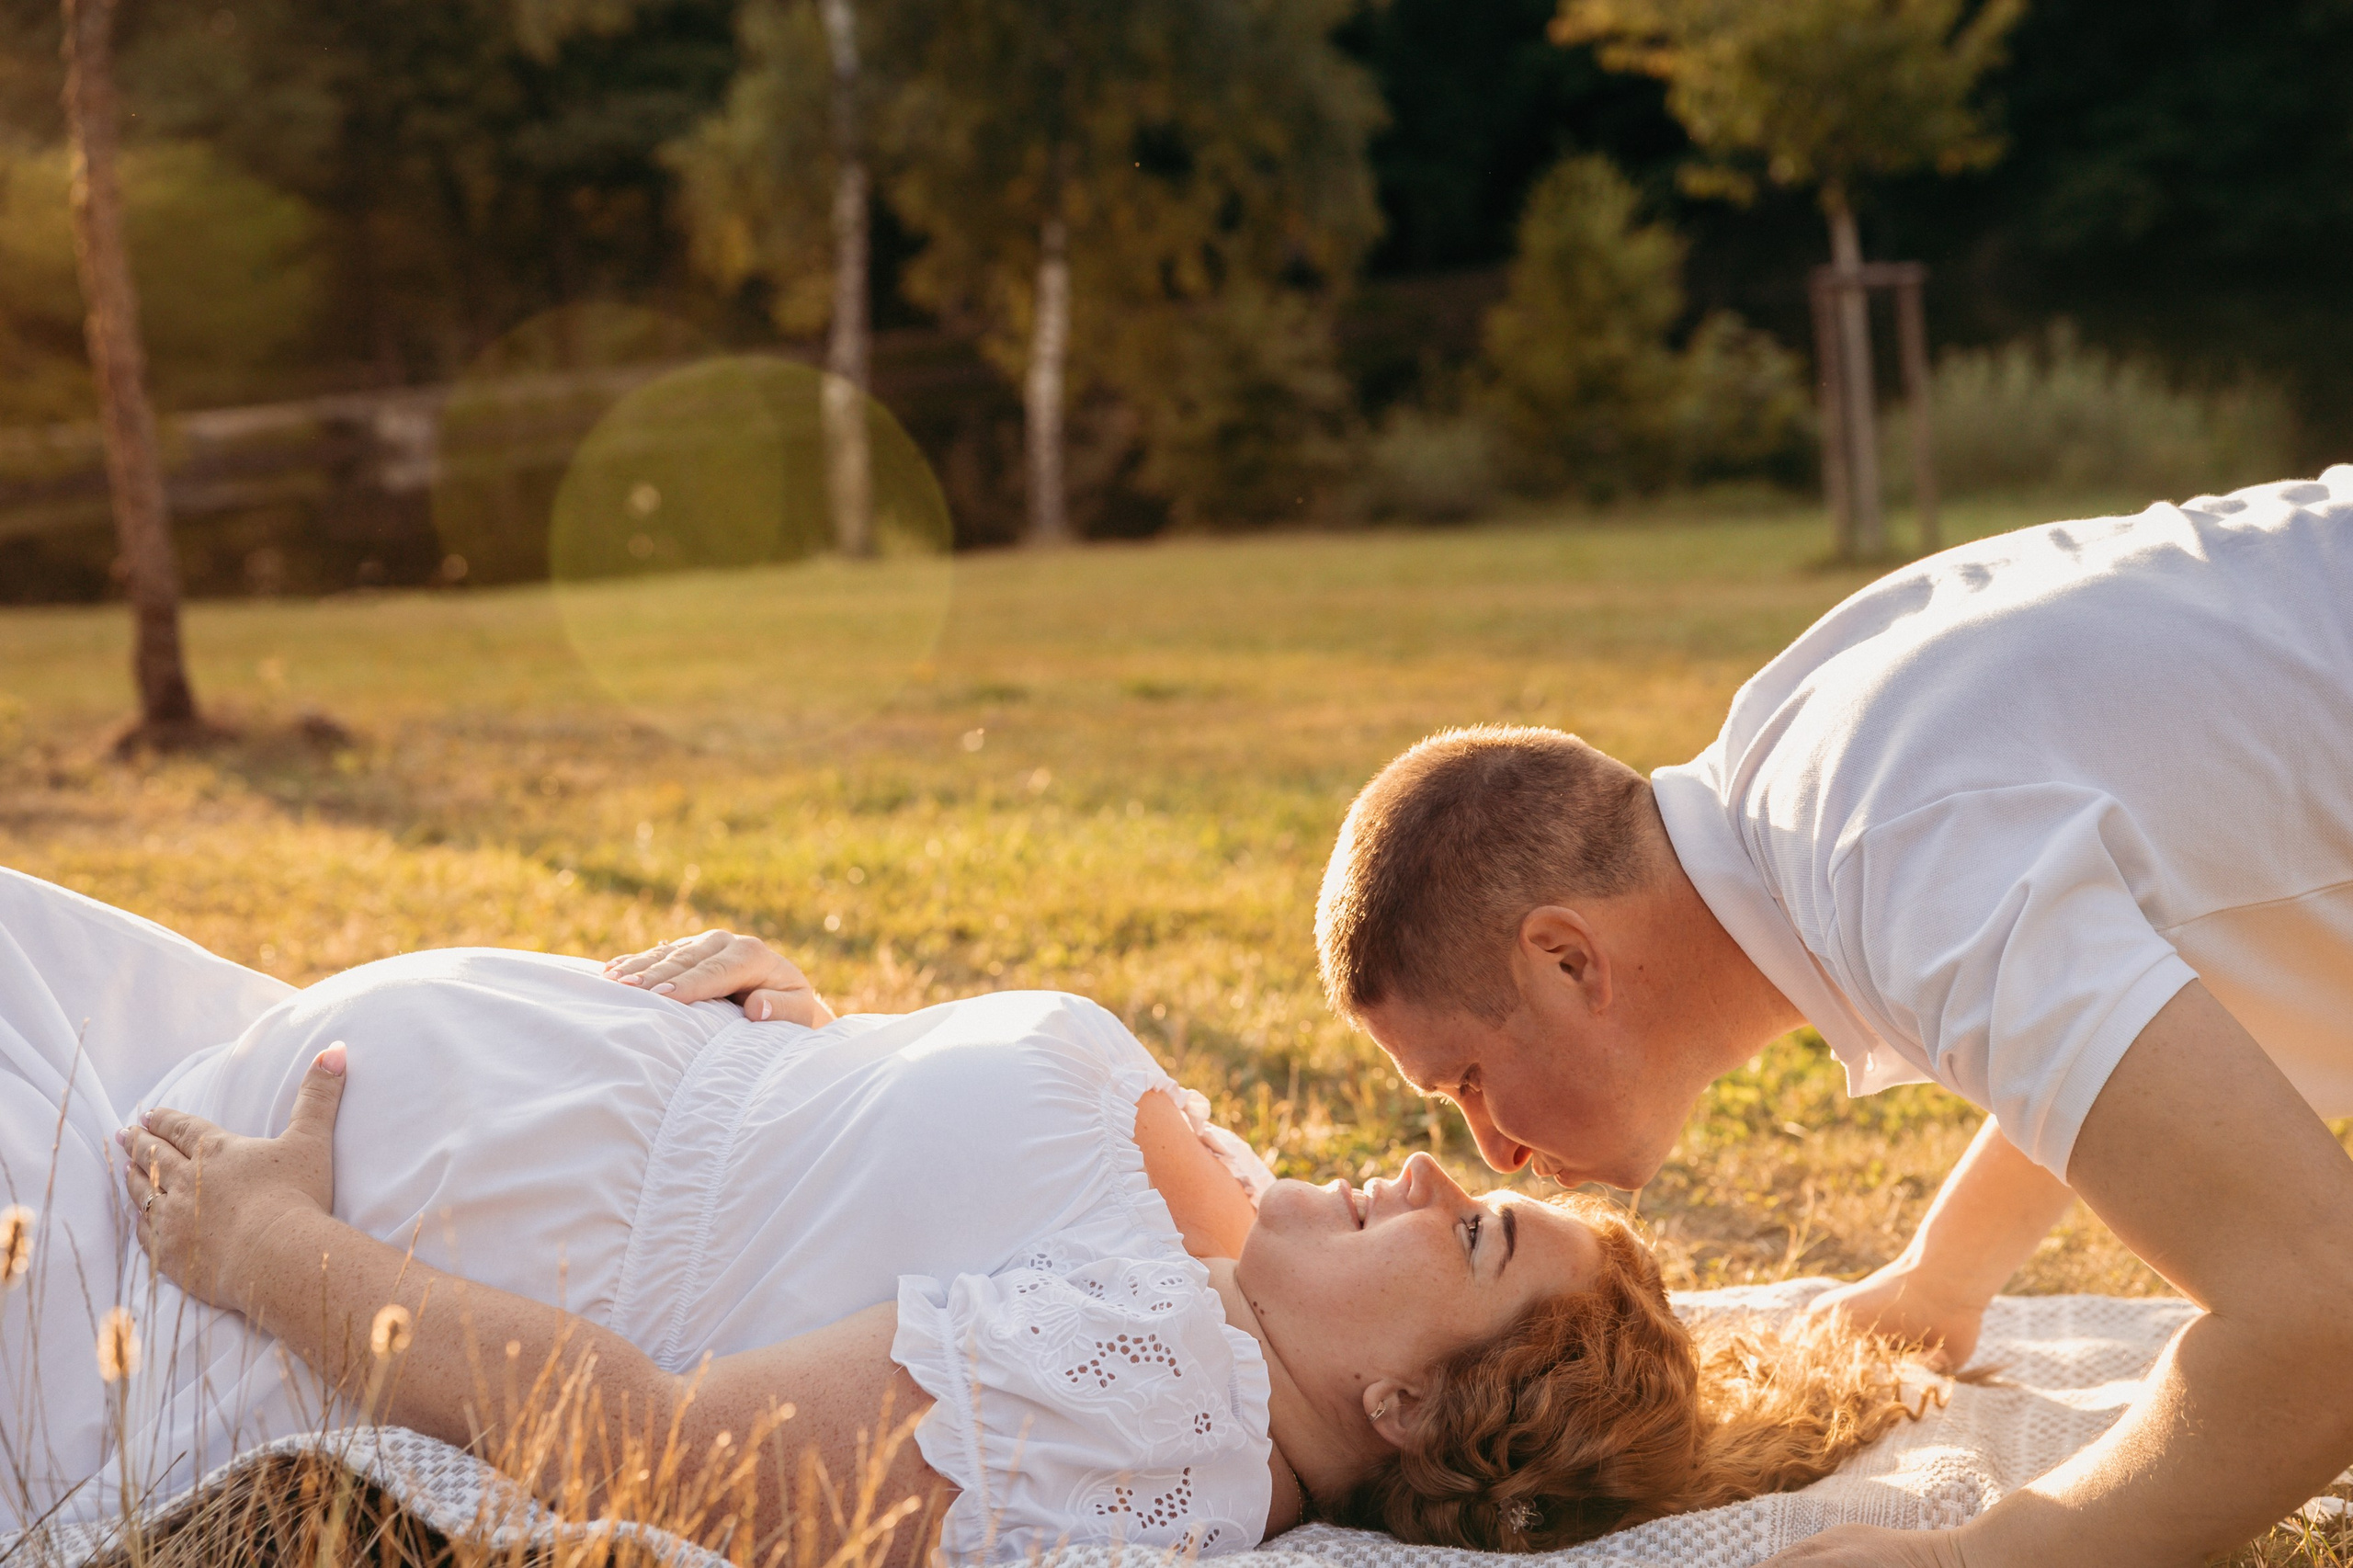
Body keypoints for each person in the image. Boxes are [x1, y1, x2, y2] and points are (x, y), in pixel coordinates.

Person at [0, 869, 1911, 1560]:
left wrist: (275, 1255)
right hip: (226, 1086)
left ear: (1409, 1412)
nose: (1425, 1171)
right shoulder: (1238, 1278)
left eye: (1477, 1237)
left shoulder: (1157, 1407)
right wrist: (812, 1052)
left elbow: (652, 1454)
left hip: (203, 1259)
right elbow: (946, 1198)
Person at [1314, 469, 2353, 1567]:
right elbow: (2142, 1004)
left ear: (1567, 959)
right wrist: (1945, 1277)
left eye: (1466, 1077)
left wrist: (1974, 1557)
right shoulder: (1807, 762)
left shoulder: (1891, 863)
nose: (1493, 1149)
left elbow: (2320, 1317)